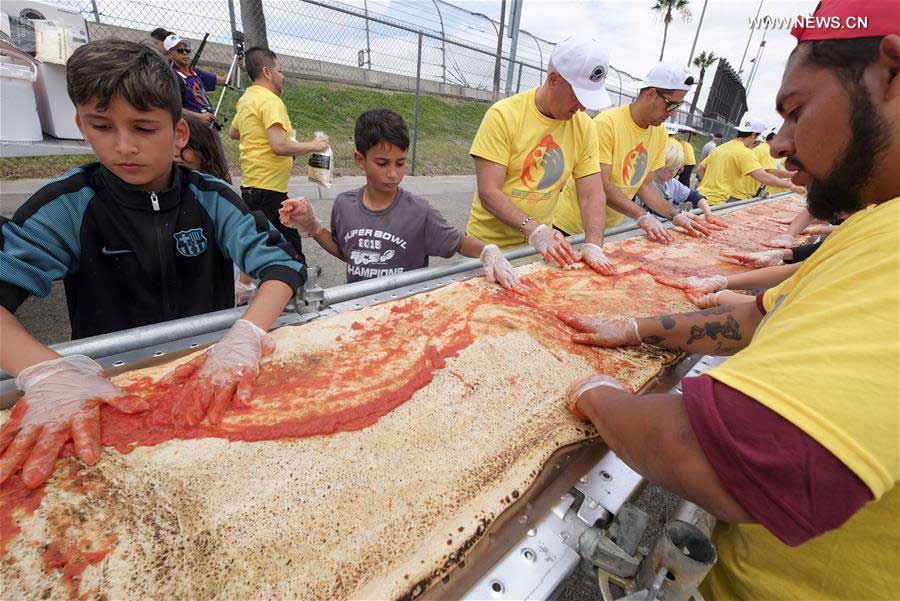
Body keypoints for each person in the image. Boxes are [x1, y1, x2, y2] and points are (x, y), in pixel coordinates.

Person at [558, 1, 900, 597]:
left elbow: (716, 458)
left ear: (891, 74)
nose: (777, 146)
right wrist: (638, 329)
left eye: (795, 111)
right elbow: (755, 318)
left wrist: (596, 395)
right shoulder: (878, 227)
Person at [0, 39, 308, 490]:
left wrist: (246, 336)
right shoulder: (65, 208)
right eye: (103, 126)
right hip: (107, 388)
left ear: (179, 132)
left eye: (144, 129)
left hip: (208, 371)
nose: (124, 146)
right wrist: (45, 371)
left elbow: (282, 265)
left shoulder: (212, 199)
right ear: (81, 126)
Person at [279, 109, 523, 291]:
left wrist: (487, 251)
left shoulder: (419, 211)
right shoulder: (344, 204)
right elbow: (349, 254)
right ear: (360, 160)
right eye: (382, 163)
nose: (394, 173)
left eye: (401, 162)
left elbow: (459, 243)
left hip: (404, 310)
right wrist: (314, 227)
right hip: (357, 307)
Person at [464, 33, 615, 276]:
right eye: (578, 96)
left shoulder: (584, 126)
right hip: (488, 249)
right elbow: (489, 192)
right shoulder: (504, 115)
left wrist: (593, 243)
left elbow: (592, 193)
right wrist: (534, 230)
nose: (582, 107)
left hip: (538, 251)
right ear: (554, 79)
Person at [554, 62, 713, 244]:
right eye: (670, 105)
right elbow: (601, 185)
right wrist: (642, 215)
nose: (672, 114)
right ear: (651, 94)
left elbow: (645, 186)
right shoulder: (607, 124)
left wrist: (674, 214)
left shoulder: (659, 132)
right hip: (571, 228)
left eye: (678, 106)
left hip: (609, 228)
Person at [229, 46, 329, 264]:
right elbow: (279, 146)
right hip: (268, 187)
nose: (282, 76)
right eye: (280, 71)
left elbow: (234, 132)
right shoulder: (271, 100)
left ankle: (273, 278)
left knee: (268, 237)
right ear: (267, 72)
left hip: (253, 184)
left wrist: (255, 133)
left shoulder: (247, 99)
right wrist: (313, 145)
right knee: (288, 240)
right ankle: (297, 280)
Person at [177, 114, 257, 305]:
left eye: (185, 144)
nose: (175, 150)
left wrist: (243, 284)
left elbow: (248, 239)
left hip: (222, 288)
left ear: (204, 152)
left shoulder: (220, 194)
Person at [694, 115, 802, 204]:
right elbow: (765, 177)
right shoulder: (745, 152)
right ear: (754, 134)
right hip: (716, 201)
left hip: (700, 196)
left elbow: (700, 169)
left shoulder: (722, 147)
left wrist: (707, 186)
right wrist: (790, 185)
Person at [164, 34, 230, 169]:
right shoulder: (172, 77)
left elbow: (225, 81)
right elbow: (172, 107)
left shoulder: (195, 73)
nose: (185, 53)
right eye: (179, 51)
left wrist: (238, 66)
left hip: (209, 126)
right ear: (171, 55)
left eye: (187, 50)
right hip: (192, 127)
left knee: (218, 165)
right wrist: (198, 117)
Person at [637, 142, 726, 227]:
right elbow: (658, 211)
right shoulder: (648, 185)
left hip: (666, 224)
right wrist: (691, 216)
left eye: (676, 169)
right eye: (668, 170)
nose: (673, 173)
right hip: (645, 226)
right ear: (657, 166)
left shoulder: (672, 183)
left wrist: (708, 212)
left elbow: (694, 196)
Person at [752, 129, 795, 196]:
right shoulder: (767, 151)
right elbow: (773, 173)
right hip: (741, 192)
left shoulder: (763, 148)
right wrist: (796, 175)